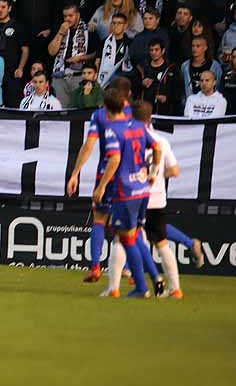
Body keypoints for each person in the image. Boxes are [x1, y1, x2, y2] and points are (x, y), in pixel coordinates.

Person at [93, 89, 160, 299]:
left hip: (125, 191)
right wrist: (153, 173)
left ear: (106, 108)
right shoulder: (140, 126)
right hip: (142, 190)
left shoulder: (113, 130)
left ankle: (141, 287)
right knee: (136, 234)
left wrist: (102, 186)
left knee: (126, 238)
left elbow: (113, 160)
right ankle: (155, 278)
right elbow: (157, 148)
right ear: (124, 104)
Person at [67, 78, 132, 283]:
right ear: (128, 94)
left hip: (105, 172)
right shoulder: (137, 114)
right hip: (130, 175)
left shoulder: (101, 115)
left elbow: (89, 145)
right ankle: (130, 270)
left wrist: (75, 173)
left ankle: (96, 266)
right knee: (129, 226)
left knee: (99, 219)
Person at [137, 102, 185, 299]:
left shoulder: (131, 138)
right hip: (157, 199)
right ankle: (176, 289)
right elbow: (175, 171)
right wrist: (157, 175)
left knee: (125, 240)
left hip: (135, 198)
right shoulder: (161, 141)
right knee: (161, 242)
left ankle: (125, 285)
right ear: (150, 119)